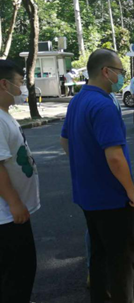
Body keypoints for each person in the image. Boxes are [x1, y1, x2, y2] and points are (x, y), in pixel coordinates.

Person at [60, 48, 134, 303]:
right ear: (106, 71)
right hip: (112, 199)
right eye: (119, 71)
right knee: (121, 262)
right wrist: (132, 190)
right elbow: (115, 157)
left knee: (98, 256)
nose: (121, 76)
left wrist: (87, 160)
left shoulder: (78, 100)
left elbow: (65, 141)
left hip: (88, 196)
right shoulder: (103, 104)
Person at [0, 59, 40, 302]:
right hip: (6, 217)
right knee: (18, 275)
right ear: (3, 84)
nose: (22, 88)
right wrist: (15, 203)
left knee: (19, 274)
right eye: (19, 83)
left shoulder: (5, 115)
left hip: (11, 214)